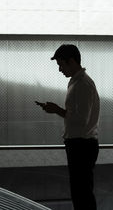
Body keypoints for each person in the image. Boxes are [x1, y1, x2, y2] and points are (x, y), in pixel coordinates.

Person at [35, 44, 100, 210]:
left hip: (81, 145)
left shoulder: (83, 85)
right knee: (81, 192)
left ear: (71, 61)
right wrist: (57, 110)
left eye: (61, 64)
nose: (60, 69)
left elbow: (81, 120)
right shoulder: (78, 82)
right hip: (80, 144)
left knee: (81, 194)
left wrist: (57, 110)